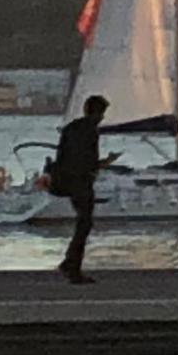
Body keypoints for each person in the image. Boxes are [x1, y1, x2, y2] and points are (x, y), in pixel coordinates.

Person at [50, 95, 119, 284]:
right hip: (81, 182)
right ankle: (73, 268)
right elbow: (87, 161)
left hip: (68, 180)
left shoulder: (71, 128)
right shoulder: (90, 131)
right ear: (96, 113)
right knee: (85, 224)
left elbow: (65, 156)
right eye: (102, 114)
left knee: (83, 223)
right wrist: (106, 163)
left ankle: (69, 262)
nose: (102, 118)